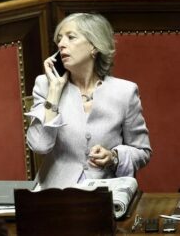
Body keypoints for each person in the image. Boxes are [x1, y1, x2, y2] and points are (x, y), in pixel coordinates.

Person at [26, 12, 152, 190]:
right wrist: (54, 91)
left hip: (106, 194)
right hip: (55, 194)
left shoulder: (125, 92)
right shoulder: (45, 85)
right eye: (59, 39)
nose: (61, 44)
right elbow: (40, 146)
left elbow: (142, 151)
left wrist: (114, 156)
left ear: (94, 47)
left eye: (71, 38)